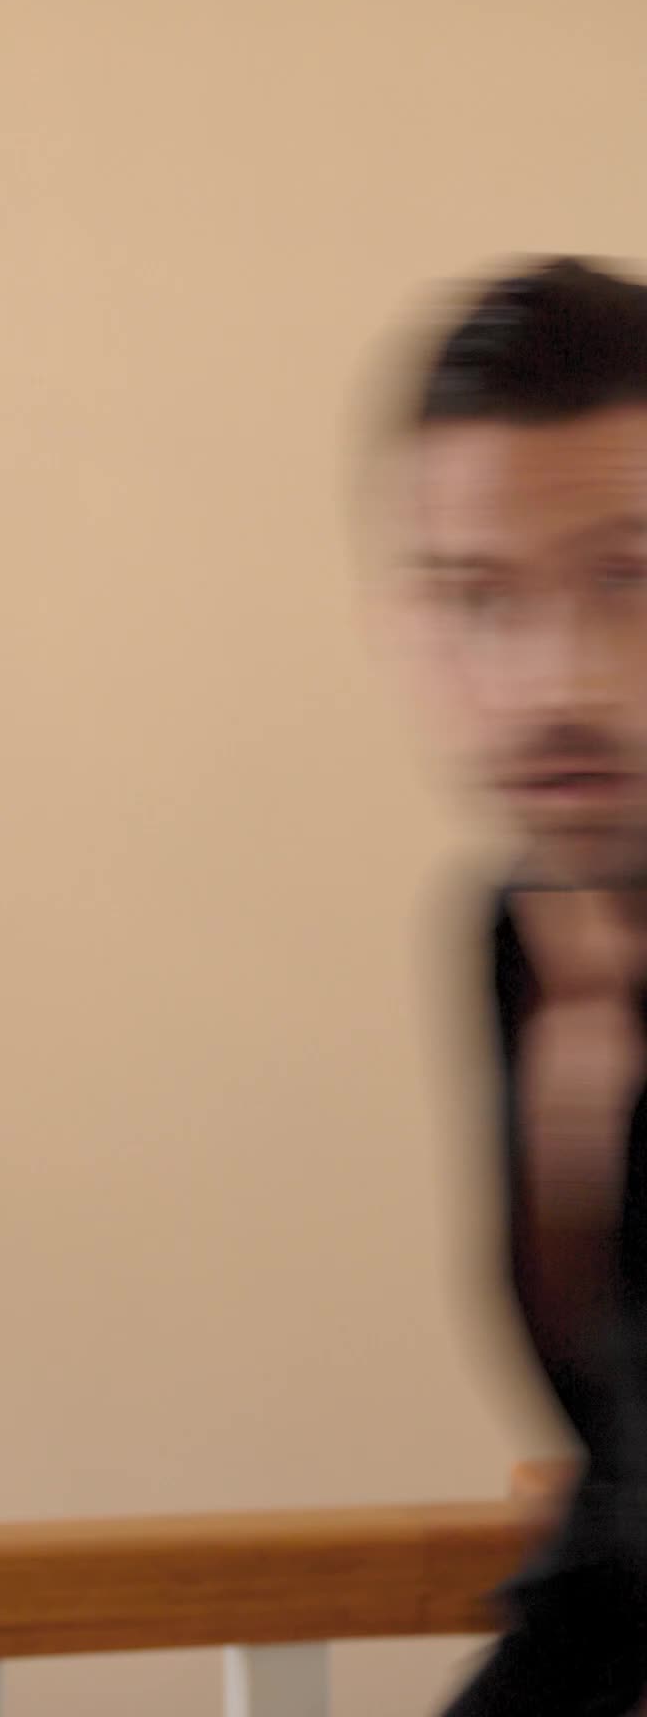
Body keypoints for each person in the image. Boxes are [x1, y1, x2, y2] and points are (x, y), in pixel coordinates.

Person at [377, 257, 647, 1714]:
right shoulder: (518, 934)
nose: (560, 681)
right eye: (484, 597)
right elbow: (623, 1527)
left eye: (628, 579)